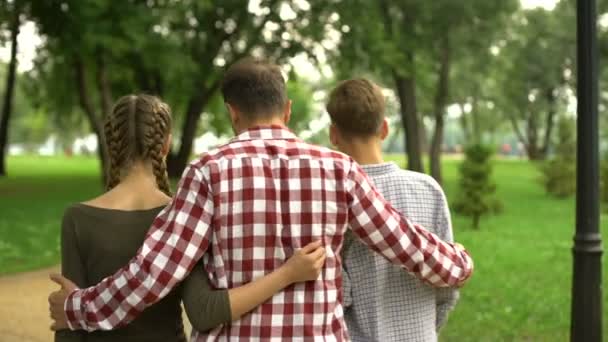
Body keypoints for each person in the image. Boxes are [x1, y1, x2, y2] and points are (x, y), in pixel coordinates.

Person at [49, 59, 474, 341]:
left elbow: (152, 273)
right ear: (287, 110)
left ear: (233, 113)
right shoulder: (338, 170)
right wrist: (457, 263)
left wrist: (78, 307)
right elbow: (403, 242)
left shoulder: (208, 172)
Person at [53, 94, 326, 342]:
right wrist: (287, 274)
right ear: (166, 144)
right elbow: (204, 311)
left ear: (110, 143)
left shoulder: (78, 218)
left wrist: (73, 311)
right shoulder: (187, 215)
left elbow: (68, 327)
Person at [327, 78, 459, 342]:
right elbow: (447, 286)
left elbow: (337, 292)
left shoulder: (331, 198)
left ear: (333, 135)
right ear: (384, 128)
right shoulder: (428, 189)